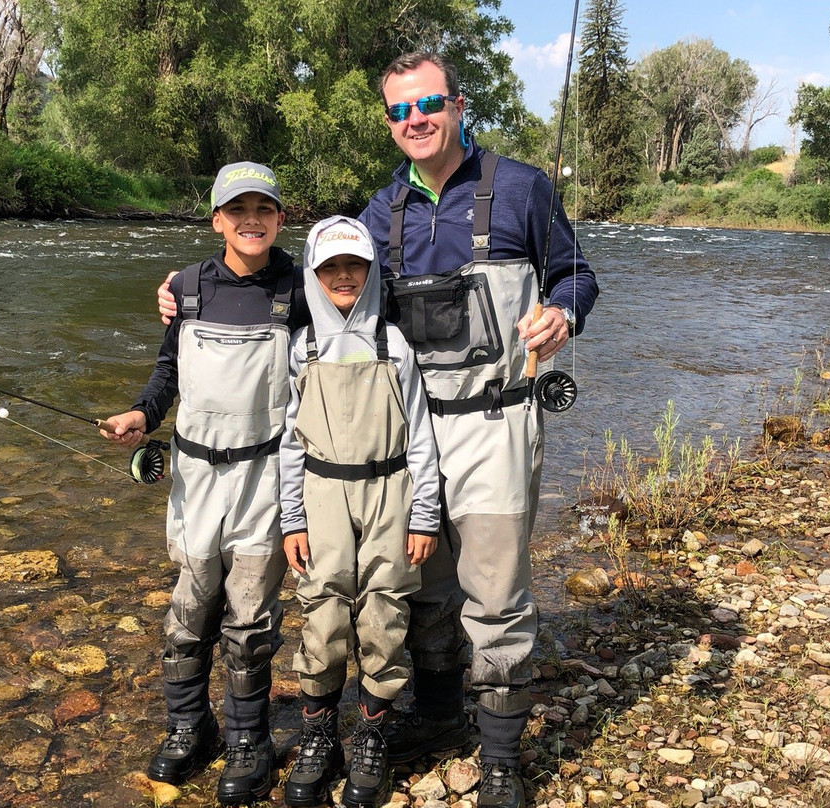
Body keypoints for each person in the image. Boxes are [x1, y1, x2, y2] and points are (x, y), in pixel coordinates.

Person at [158, 53, 598, 808]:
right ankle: (433, 715)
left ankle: (497, 761)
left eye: (428, 104)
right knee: (415, 587)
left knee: (493, 594)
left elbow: (576, 273)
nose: (415, 120)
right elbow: (322, 292)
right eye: (400, 111)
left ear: (458, 103)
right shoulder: (379, 210)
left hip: (496, 422)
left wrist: (564, 312)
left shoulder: (523, 187)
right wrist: (197, 290)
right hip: (403, 439)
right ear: (389, 122)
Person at [102, 161, 309, 804]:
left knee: (251, 619)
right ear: (217, 220)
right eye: (238, 210)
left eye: (264, 210)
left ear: (279, 218)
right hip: (194, 478)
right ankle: (190, 727)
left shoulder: (302, 288)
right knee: (188, 612)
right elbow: (168, 373)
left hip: (265, 479)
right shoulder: (187, 289)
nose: (252, 221)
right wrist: (141, 413)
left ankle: (248, 738)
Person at [278, 216, 440, 808]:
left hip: (390, 492)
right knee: (321, 611)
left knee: (384, 612)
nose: (343, 277)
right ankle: (319, 733)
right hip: (320, 493)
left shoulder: (392, 344)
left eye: (355, 266)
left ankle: (370, 734)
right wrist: (290, 517)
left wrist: (425, 515)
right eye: (330, 268)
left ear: (371, 273)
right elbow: (288, 442)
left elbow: (421, 438)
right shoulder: (302, 346)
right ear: (313, 275)